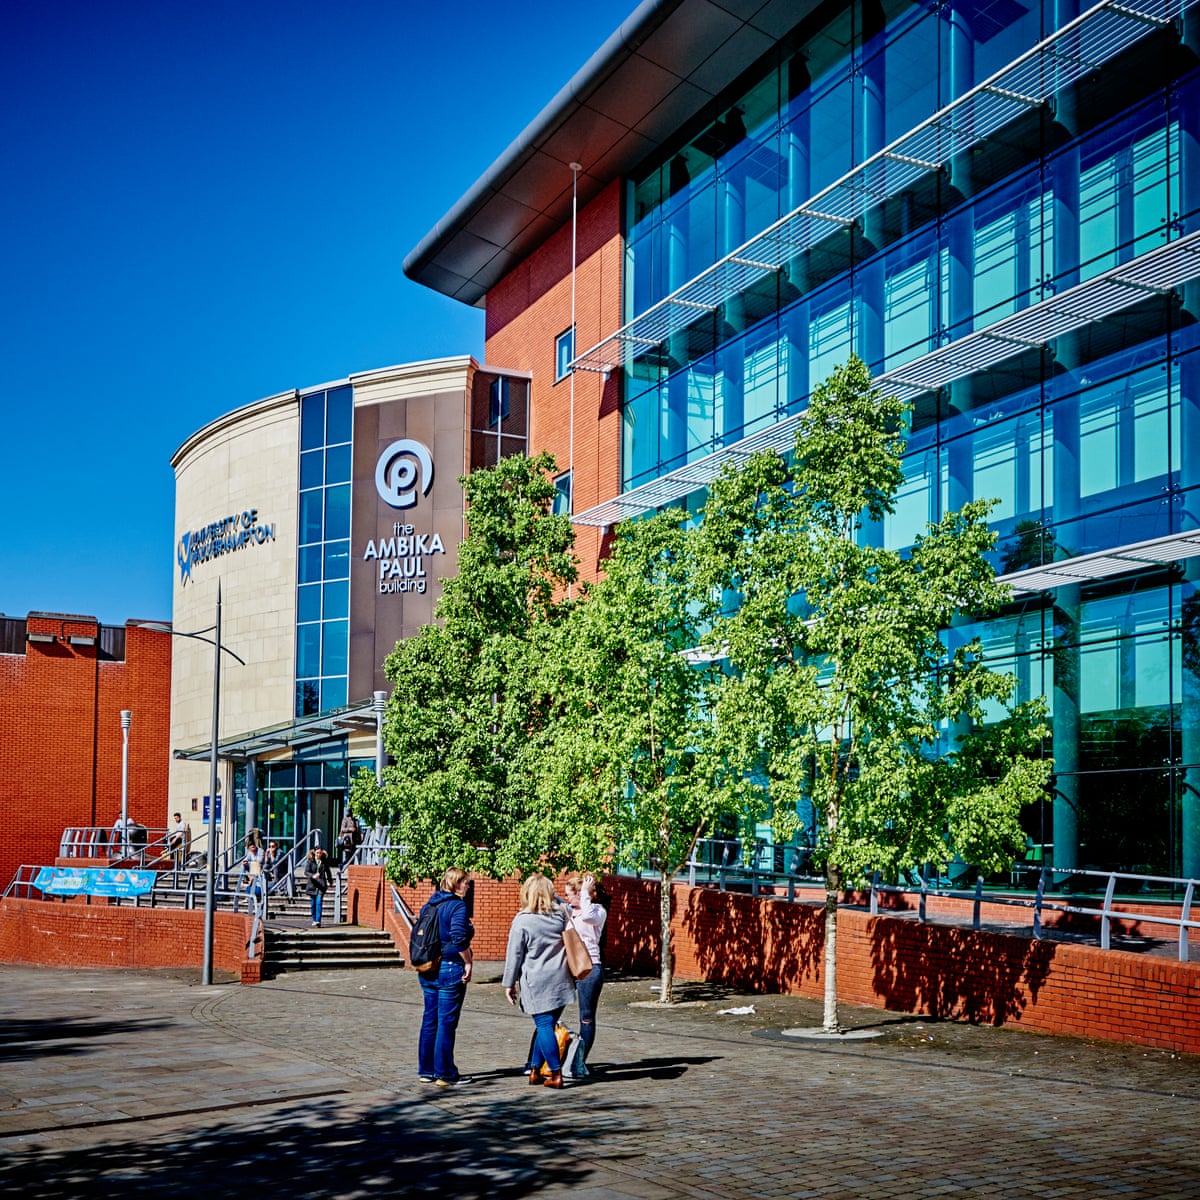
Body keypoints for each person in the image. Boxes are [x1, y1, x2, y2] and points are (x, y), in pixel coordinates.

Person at [504, 873, 577, 1089]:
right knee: (547, 1024)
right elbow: (565, 906)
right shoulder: (561, 914)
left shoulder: (522, 921)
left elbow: (514, 955)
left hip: (536, 982)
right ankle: (535, 1070)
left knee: (544, 1026)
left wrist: (509, 983)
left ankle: (556, 1073)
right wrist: (554, 898)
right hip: (561, 979)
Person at [417, 867, 475, 1087]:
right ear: (456, 883)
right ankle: (445, 1073)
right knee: (446, 1022)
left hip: (428, 967)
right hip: (450, 967)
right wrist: (468, 961)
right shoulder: (457, 906)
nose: (468, 886)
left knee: (430, 1019)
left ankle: (426, 1071)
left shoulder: (429, 905)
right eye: (466, 882)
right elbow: (459, 937)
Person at [565, 871, 607, 1064]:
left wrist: (585, 892)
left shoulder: (597, 911)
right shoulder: (570, 913)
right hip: (571, 967)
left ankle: (580, 1061)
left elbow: (589, 916)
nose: (567, 898)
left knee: (586, 1016)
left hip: (590, 968)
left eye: (569, 894)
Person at [303, 846, 332, 926]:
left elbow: (328, 872)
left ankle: (318, 920)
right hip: (312, 884)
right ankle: (314, 919)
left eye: (320, 853)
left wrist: (330, 881)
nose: (319, 854)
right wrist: (312, 876)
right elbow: (306, 872)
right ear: (314, 852)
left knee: (319, 902)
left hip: (321, 885)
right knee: (313, 904)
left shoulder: (324, 861)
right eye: (317, 853)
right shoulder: (310, 861)